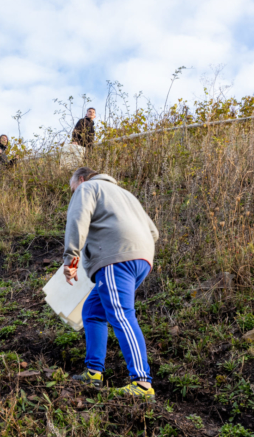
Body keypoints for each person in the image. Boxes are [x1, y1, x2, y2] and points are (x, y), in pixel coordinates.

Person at [63, 167, 159, 399]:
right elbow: (153, 232)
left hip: (116, 258)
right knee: (93, 310)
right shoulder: (126, 195)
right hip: (142, 259)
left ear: (82, 179)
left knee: (121, 314)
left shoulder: (87, 187)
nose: (73, 193)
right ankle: (94, 372)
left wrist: (72, 259)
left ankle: (142, 384)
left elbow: (78, 219)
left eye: (72, 189)